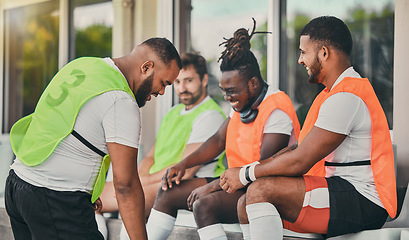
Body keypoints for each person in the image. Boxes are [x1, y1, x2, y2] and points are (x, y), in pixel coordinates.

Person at [220, 16, 397, 239]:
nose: (299, 60)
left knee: (259, 190)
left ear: (324, 52)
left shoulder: (346, 97)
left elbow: (300, 160)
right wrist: (249, 173)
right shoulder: (332, 93)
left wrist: (245, 174)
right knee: (245, 202)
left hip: (365, 200)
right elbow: (296, 149)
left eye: (303, 52)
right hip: (341, 191)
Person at [5, 37, 182, 240]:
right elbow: (126, 186)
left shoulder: (82, 65)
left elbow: (68, 127)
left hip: (18, 185)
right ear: (146, 67)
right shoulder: (121, 101)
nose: (161, 91)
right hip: (55, 199)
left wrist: (91, 191)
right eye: (164, 83)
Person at [146, 19, 300, 240]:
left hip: (261, 187)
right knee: (168, 192)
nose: (227, 98)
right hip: (236, 180)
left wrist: (212, 187)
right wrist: (183, 164)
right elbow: (218, 140)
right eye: (223, 91)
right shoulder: (242, 102)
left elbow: (264, 168)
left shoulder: (277, 110)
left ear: (253, 84)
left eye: (232, 91)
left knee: (204, 205)